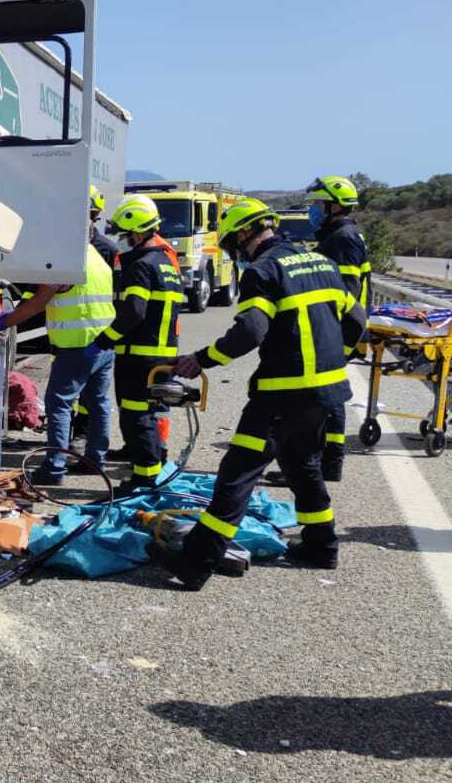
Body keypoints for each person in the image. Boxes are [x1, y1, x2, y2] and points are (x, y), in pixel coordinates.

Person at [155, 198, 365, 588]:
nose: (234, 249)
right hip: (327, 394)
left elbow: (250, 332)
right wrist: (333, 362)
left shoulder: (263, 271)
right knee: (303, 466)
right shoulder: (323, 263)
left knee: (237, 474)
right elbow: (357, 321)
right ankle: (322, 546)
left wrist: (201, 359)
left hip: (280, 396)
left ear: (245, 234)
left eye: (233, 240)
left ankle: (195, 562)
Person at [3, 239, 116, 485]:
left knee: (59, 405)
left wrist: (3, 322)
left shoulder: (66, 260)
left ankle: (54, 469)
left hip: (76, 346)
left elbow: (37, 303)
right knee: (98, 404)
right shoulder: (96, 256)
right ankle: (95, 460)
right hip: (103, 343)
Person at [95, 194, 184, 496]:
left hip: (140, 356)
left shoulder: (141, 265)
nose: (121, 240)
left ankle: (144, 480)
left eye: (123, 233)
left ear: (136, 230)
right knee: (151, 413)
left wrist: (107, 337)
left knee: (137, 416)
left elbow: (134, 310)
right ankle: (151, 468)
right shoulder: (166, 263)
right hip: (163, 354)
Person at [307, 175, 370, 482]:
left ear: (334, 206)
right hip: (338, 328)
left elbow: (347, 291)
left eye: (318, 204)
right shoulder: (338, 234)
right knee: (326, 399)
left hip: (339, 329)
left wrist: (332, 334)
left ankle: (328, 464)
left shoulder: (342, 238)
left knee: (329, 400)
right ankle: (321, 462)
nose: (313, 210)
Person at [72, 186, 121, 445]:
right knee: (82, 392)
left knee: (89, 396)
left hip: (97, 335)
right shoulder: (66, 246)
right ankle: (82, 438)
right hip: (72, 332)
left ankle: (82, 433)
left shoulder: (107, 249)